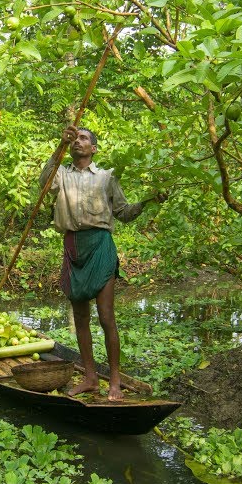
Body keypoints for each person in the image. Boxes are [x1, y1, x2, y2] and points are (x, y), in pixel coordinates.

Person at [40, 124, 166, 401]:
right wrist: (60, 145)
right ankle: (90, 378)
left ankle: (115, 381)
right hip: (73, 245)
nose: (78, 142)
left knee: (107, 316)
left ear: (93, 148)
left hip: (101, 245)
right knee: (81, 317)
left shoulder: (107, 177)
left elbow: (124, 213)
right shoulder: (62, 174)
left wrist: (147, 200)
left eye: (84, 139)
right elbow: (45, 183)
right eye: (75, 138)